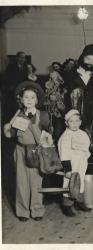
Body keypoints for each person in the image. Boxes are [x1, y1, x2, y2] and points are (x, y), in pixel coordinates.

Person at [3, 81, 51, 221]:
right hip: (20, 150)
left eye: (32, 97)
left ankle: (36, 210)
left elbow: (47, 136)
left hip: (36, 151)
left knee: (36, 182)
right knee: (21, 182)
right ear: (21, 99)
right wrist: (6, 129)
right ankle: (23, 211)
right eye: (26, 97)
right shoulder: (18, 115)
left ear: (37, 100)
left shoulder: (43, 115)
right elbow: (10, 135)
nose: (29, 100)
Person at [64, 44, 93, 164]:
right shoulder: (71, 75)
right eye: (88, 59)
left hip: (92, 120)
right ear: (82, 58)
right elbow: (65, 98)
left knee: (90, 150)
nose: (90, 62)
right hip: (74, 119)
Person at [58, 109, 92, 216]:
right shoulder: (66, 136)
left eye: (77, 121)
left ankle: (79, 201)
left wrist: (86, 157)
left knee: (80, 181)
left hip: (81, 162)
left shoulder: (83, 134)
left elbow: (86, 147)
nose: (74, 124)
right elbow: (64, 153)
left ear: (80, 122)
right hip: (72, 163)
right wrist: (67, 168)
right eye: (71, 121)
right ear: (66, 123)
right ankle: (67, 205)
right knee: (70, 183)